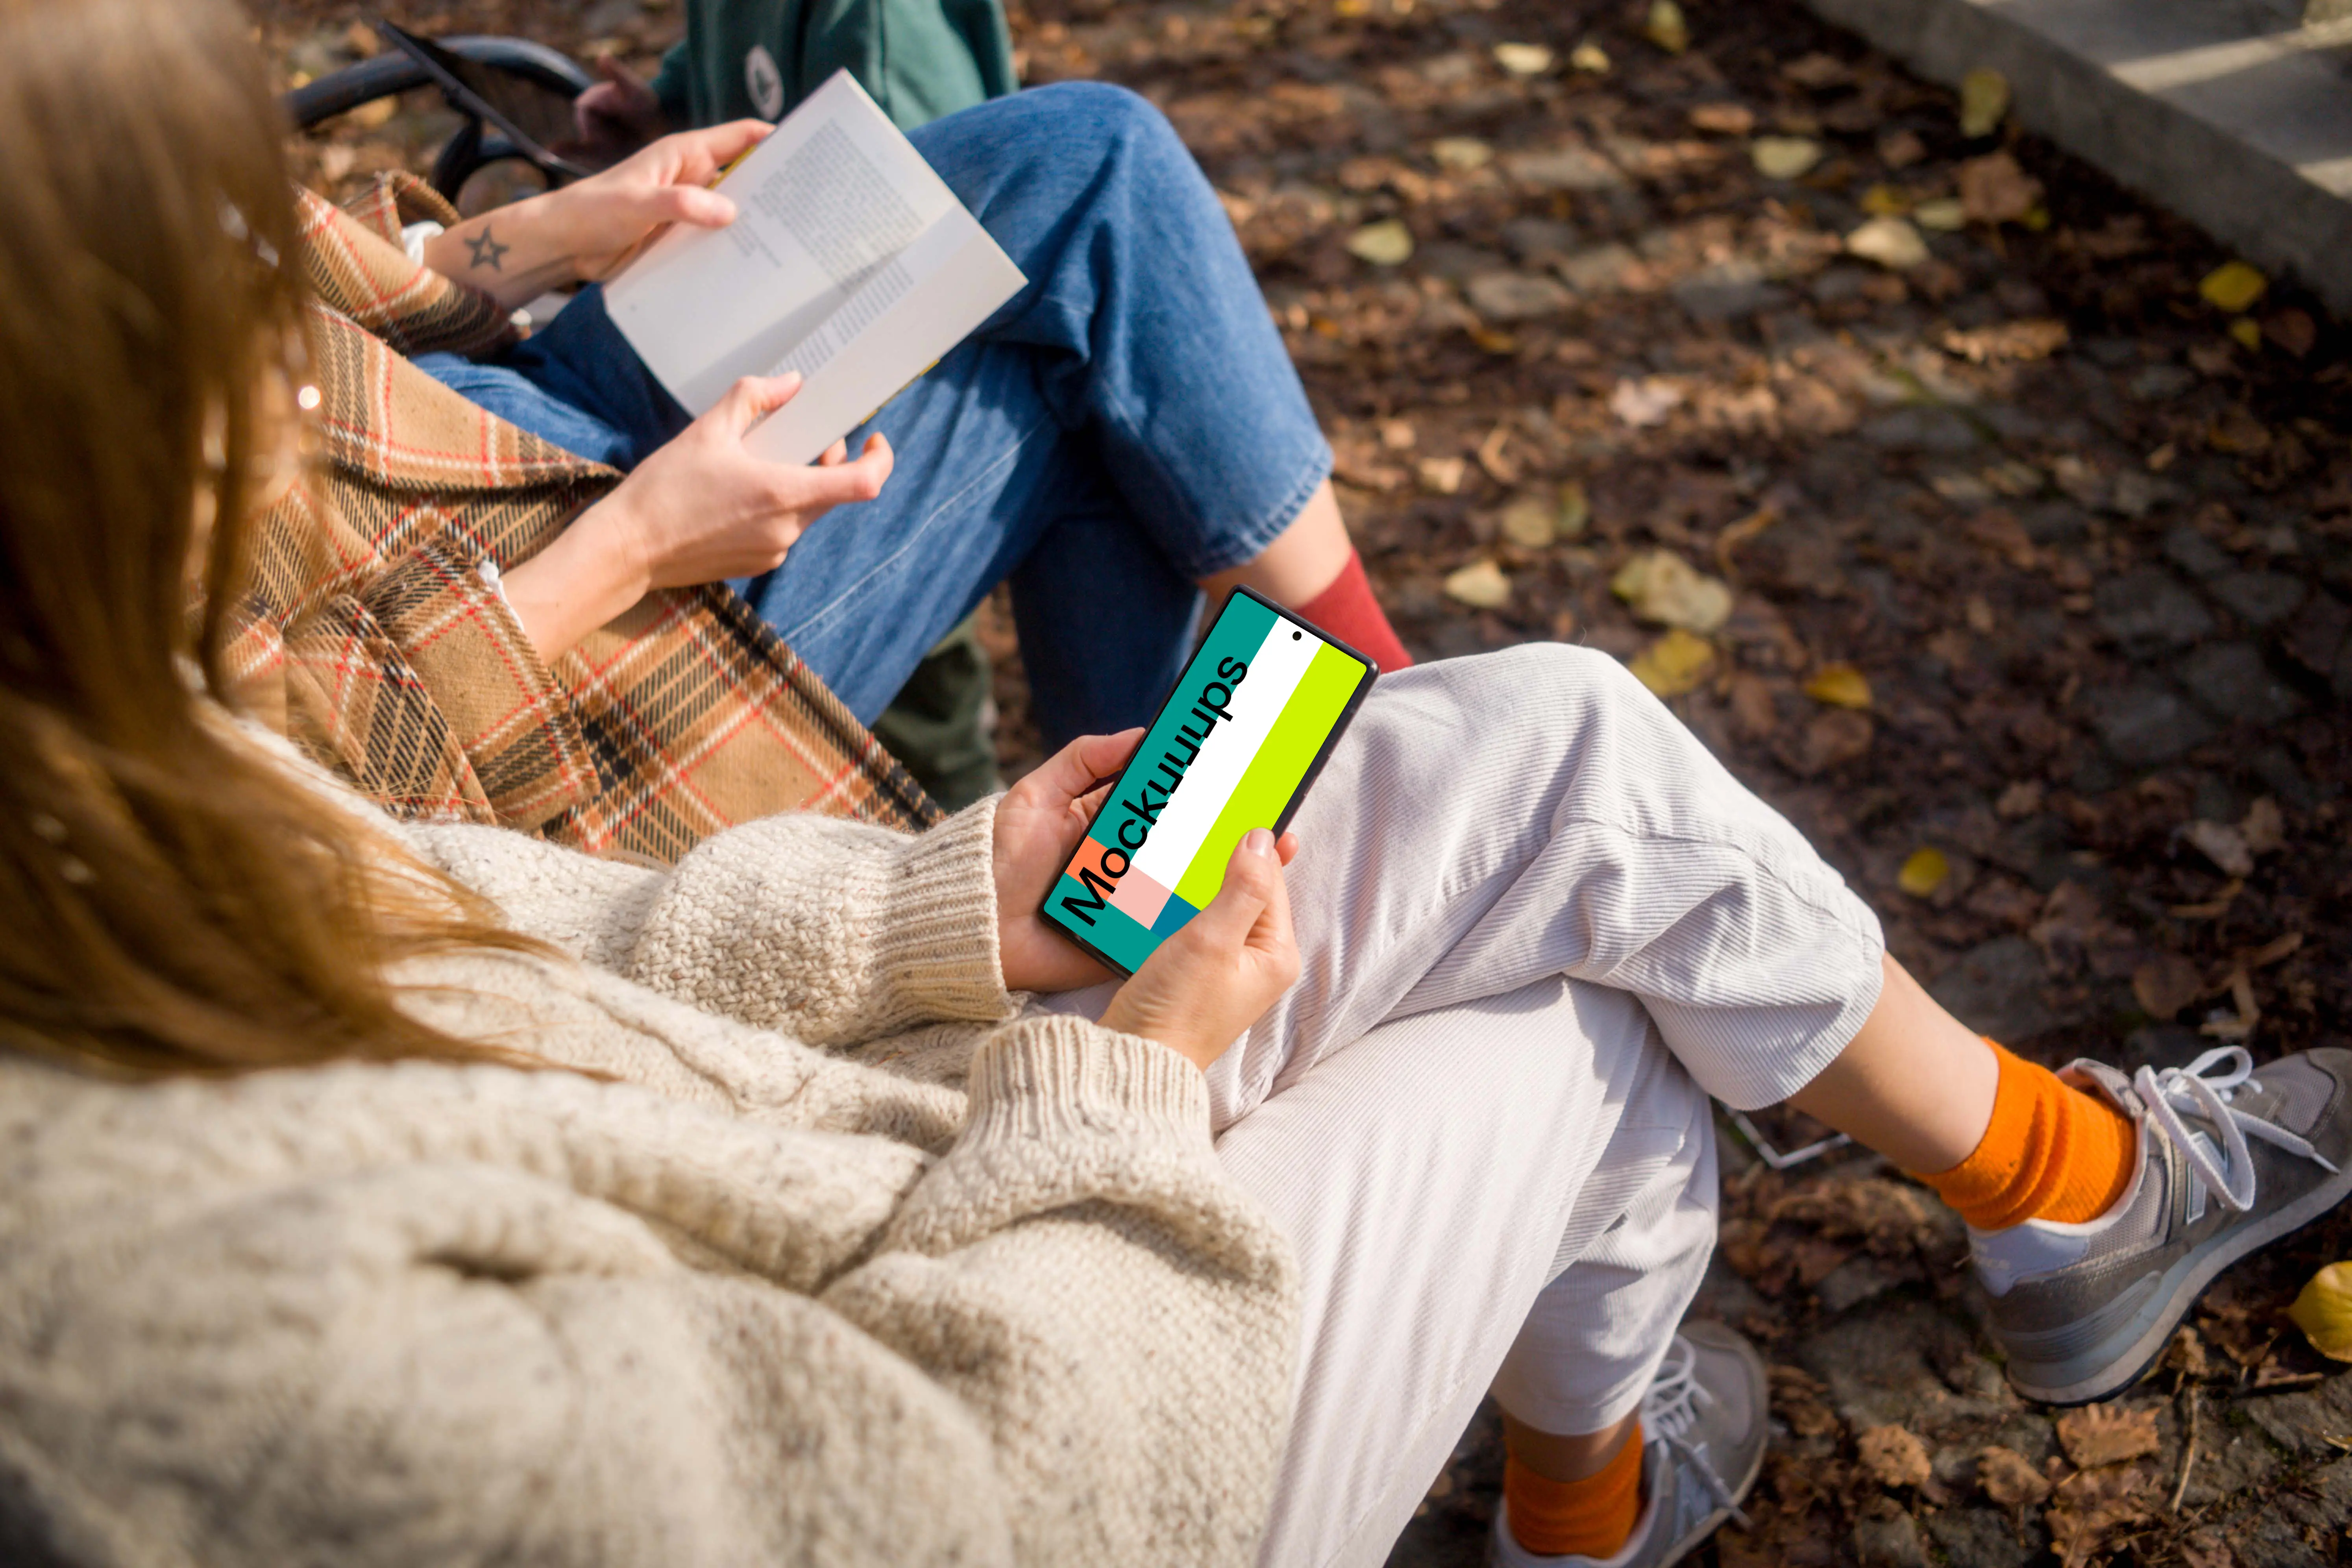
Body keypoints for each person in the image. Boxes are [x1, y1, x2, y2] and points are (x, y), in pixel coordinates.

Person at [11, 7, 2352, 1568]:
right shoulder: (149, 1328)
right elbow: (988, 1498)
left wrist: (935, 909)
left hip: (824, 1059)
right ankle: (1975, 1251)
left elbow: (490, 921)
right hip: (1010, 1330)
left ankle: (1850, 1324)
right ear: (103, 485)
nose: (277, 375)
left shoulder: (97, 812)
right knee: (1584, 996)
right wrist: (1117, 1091)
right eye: (219, 364)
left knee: (1094, 224)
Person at [568, 0, 1028, 810]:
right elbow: (716, 73)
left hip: (854, 401)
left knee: (932, 707)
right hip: (751, 373)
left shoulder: (882, 28)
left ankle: (977, 808)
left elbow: (932, 243)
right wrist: (660, 113)